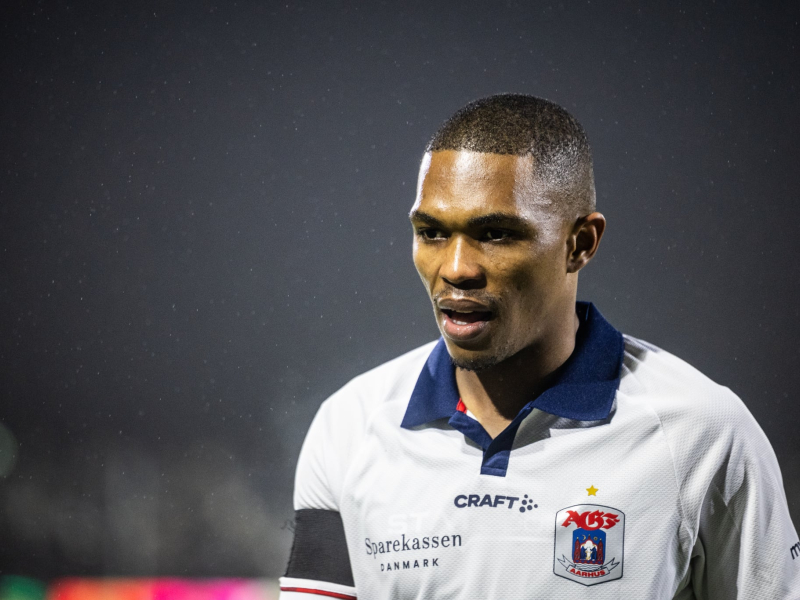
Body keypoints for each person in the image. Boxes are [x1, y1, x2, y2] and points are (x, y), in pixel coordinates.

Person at [278, 94, 800, 599]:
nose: (455, 268)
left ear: (580, 243)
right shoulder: (349, 426)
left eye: (496, 234)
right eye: (431, 232)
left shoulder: (702, 432)